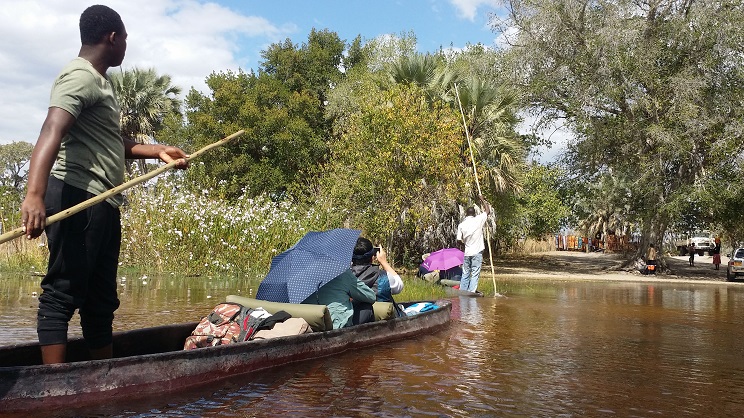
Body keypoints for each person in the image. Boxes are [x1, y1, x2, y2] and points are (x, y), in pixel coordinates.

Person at [20, 5, 189, 364]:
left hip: (103, 203)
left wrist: (158, 151)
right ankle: (55, 383)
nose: (126, 45)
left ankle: (102, 374)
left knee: (100, 299)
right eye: (125, 38)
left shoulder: (101, 84)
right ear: (112, 38)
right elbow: (52, 129)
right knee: (63, 292)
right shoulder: (79, 76)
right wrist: (34, 195)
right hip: (77, 196)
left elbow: (112, 142)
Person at [350, 237, 404, 324]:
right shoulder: (384, 276)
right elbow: (399, 285)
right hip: (381, 322)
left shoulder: (344, 277)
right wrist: (384, 262)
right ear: (372, 257)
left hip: (354, 320)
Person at [302, 269, 376, 329]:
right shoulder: (342, 273)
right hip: (340, 328)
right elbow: (371, 297)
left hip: (313, 326)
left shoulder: (302, 278)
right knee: (367, 307)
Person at [456, 195, 491, 294]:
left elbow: (458, 240)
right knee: (475, 273)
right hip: (477, 252)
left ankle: (463, 291)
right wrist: (482, 200)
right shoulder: (478, 219)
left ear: (466, 214)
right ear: (474, 214)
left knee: (465, 273)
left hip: (467, 253)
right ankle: (471, 292)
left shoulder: (461, 225)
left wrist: (464, 245)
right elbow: (488, 211)